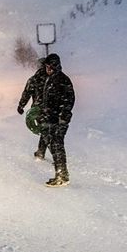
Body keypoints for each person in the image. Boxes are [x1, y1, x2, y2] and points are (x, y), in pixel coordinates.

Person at [40, 53, 75, 187]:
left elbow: (69, 100)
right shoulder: (51, 79)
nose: (46, 69)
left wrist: (62, 115)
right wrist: (44, 113)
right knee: (53, 144)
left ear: (54, 66)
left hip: (60, 119)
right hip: (52, 118)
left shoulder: (62, 80)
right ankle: (61, 173)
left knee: (57, 144)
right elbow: (48, 101)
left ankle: (62, 175)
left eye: (48, 66)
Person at [17, 57, 49, 159]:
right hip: (51, 109)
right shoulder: (52, 79)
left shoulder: (34, 79)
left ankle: (42, 152)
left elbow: (26, 94)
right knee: (48, 130)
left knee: (45, 130)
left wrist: (21, 106)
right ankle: (43, 152)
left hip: (38, 109)